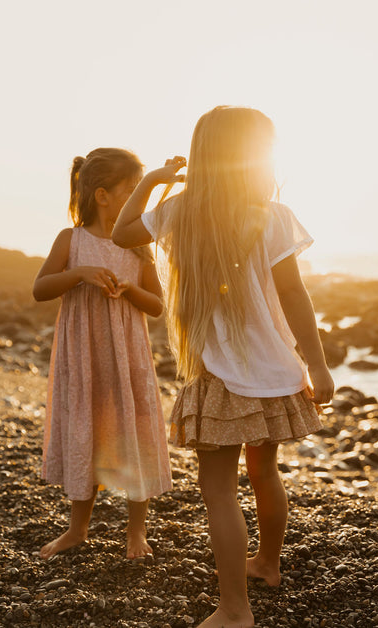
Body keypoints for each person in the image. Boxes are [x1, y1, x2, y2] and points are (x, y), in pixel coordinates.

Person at [112, 107, 334, 628]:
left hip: (222, 375)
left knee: (218, 491)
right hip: (276, 372)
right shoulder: (272, 215)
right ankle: (268, 565)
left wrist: (152, 180)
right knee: (265, 472)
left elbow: (122, 233)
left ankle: (235, 609)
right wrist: (317, 366)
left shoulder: (180, 211)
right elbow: (295, 295)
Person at [33, 147, 172, 560]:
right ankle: (77, 529)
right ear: (102, 195)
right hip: (85, 359)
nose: (138, 201)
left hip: (127, 358)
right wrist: (79, 274)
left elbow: (158, 305)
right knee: (86, 431)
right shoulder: (71, 240)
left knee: (133, 433)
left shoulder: (139, 247)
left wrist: (131, 290)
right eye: (131, 191)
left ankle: (136, 531)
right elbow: (40, 289)